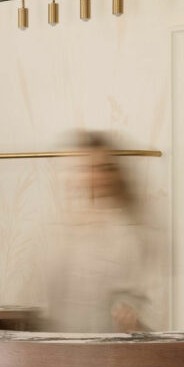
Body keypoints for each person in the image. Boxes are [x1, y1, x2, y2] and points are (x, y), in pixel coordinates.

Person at [45, 131, 151, 334]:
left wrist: (129, 313)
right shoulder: (60, 230)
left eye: (101, 169)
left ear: (113, 174)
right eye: (84, 169)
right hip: (61, 346)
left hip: (112, 348)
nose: (93, 176)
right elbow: (48, 299)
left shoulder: (129, 232)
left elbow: (144, 295)